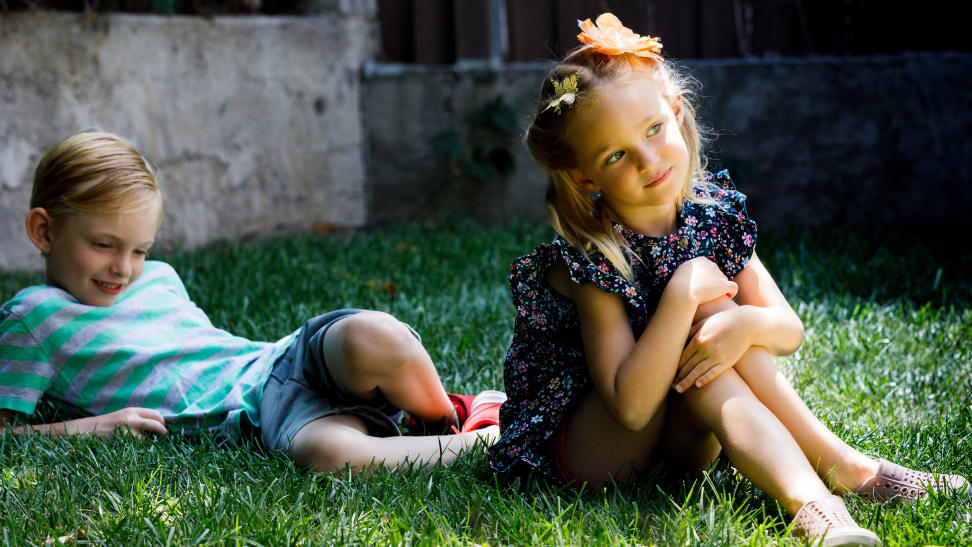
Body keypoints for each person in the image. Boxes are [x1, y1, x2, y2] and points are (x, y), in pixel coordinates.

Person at [487, 13, 967, 546]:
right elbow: (630, 406)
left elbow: (789, 329)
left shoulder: (712, 214)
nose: (649, 161)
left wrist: (742, 326)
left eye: (654, 130)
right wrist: (683, 290)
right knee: (700, 310)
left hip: (679, 449)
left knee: (718, 319)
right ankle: (816, 500)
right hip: (593, 460)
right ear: (583, 175)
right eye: (617, 155)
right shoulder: (596, 257)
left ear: (675, 111)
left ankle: (842, 472)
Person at [0, 130, 506, 474]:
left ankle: (448, 417)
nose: (123, 268)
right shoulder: (33, 319)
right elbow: (8, 433)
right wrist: (92, 428)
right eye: (104, 245)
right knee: (327, 455)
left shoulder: (159, 278)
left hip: (279, 360)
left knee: (373, 333)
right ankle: (481, 442)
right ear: (44, 230)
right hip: (258, 419)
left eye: (139, 249)